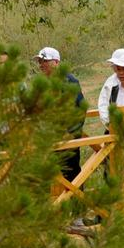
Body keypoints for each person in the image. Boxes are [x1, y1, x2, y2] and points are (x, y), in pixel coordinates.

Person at [36, 46, 85, 186]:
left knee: (71, 172)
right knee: (54, 175)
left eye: (45, 61)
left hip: (67, 137)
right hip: (50, 137)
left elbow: (80, 109)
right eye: (40, 61)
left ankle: (78, 205)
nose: (41, 65)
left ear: (56, 62)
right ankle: (61, 205)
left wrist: (71, 133)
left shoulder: (69, 81)